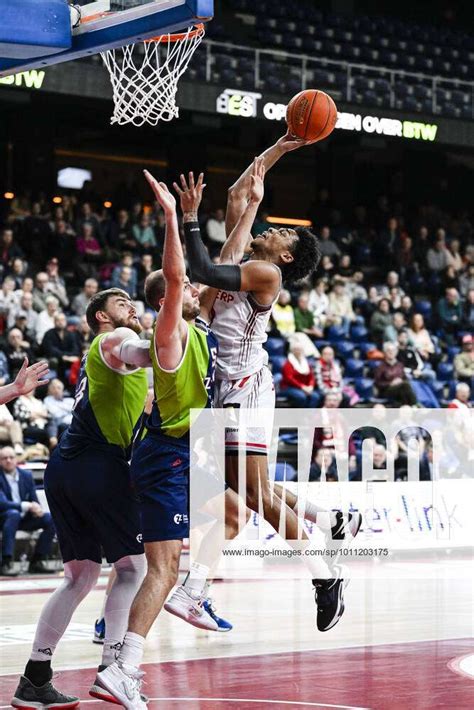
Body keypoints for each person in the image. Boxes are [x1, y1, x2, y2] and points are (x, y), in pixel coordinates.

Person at [179, 141, 351, 634]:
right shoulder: (249, 253)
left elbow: (204, 271)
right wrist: (283, 144)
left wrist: (191, 218)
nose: (270, 228)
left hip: (248, 388)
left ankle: (324, 576)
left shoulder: (266, 272)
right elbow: (240, 191)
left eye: (280, 233)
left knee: (253, 494)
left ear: (286, 254)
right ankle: (326, 521)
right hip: (226, 389)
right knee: (247, 492)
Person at [93, 173, 241, 708]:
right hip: (165, 455)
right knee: (160, 567)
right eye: (191, 288)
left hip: (183, 451)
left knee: (230, 514)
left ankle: (183, 600)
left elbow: (222, 264)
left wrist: (246, 201)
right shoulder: (170, 332)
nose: (202, 287)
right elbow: (180, 279)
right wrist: (175, 217)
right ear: (168, 302)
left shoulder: (202, 328)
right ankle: (123, 665)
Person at [11, 288, 149, 710]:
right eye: (121, 303)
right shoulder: (110, 341)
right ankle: (112, 670)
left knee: (80, 576)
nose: (131, 306)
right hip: (97, 466)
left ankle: (35, 678)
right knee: (133, 569)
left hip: (66, 468)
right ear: (101, 317)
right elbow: (149, 353)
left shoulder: (121, 369)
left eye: (132, 301)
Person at [0, 447, 56, 576]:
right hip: (4, 518)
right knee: (13, 514)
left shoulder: (26, 475)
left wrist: (37, 508)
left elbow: (34, 499)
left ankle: (37, 560)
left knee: (50, 519)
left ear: (16, 460)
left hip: (24, 519)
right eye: (4, 458)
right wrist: (25, 505)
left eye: (11, 457)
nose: (8, 460)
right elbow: (2, 503)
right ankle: (6, 562)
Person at [281, 339, 320, 407]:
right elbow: (289, 378)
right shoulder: (288, 363)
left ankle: (309, 416)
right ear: (292, 350)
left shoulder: (305, 362)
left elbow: (311, 376)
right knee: (301, 397)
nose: (298, 351)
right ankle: (300, 416)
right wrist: (302, 387)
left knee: (315, 396)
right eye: (296, 349)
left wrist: (310, 386)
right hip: (289, 387)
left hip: (305, 387)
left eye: (300, 349)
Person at [41, 313, 81, 380]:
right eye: (58, 320)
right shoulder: (48, 334)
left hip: (68, 365)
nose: (60, 322)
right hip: (53, 364)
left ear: (65, 321)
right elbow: (50, 350)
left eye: (62, 320)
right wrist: (64, 357)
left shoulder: (71, 334)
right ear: (54, 322)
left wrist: (65, 357)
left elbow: (75, 351)